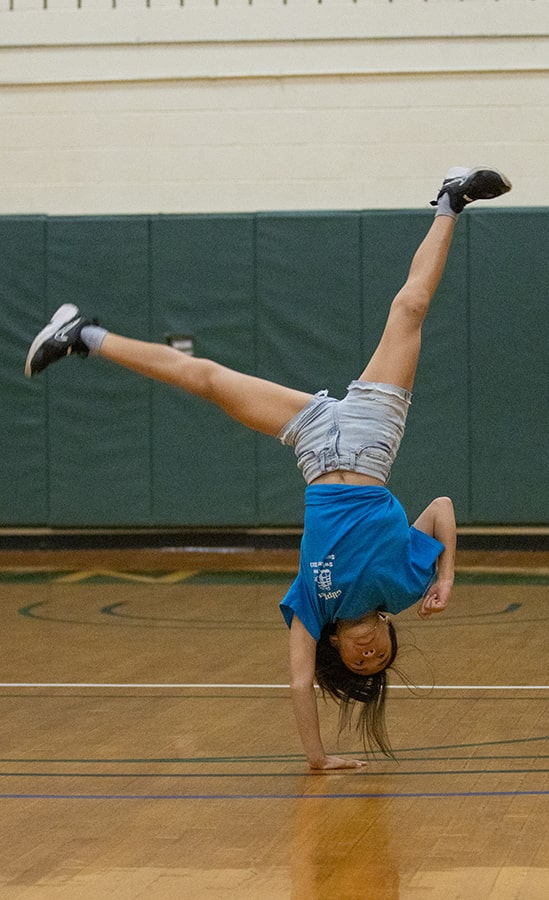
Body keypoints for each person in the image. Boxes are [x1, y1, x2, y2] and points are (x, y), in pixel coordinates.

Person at [25, 165, 512, 771]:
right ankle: (451, 201)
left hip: (313, 444)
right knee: (409, 307)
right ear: (390, 635)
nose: (368, 654)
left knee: (205, 378)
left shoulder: (311, 606)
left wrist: (319, 759)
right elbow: (440, 508)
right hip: (371, 439)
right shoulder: (406, 585)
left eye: (358, 661)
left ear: (337, 649)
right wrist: (446, 576)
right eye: (379, 656)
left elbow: (300, 684)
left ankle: (82, 335)